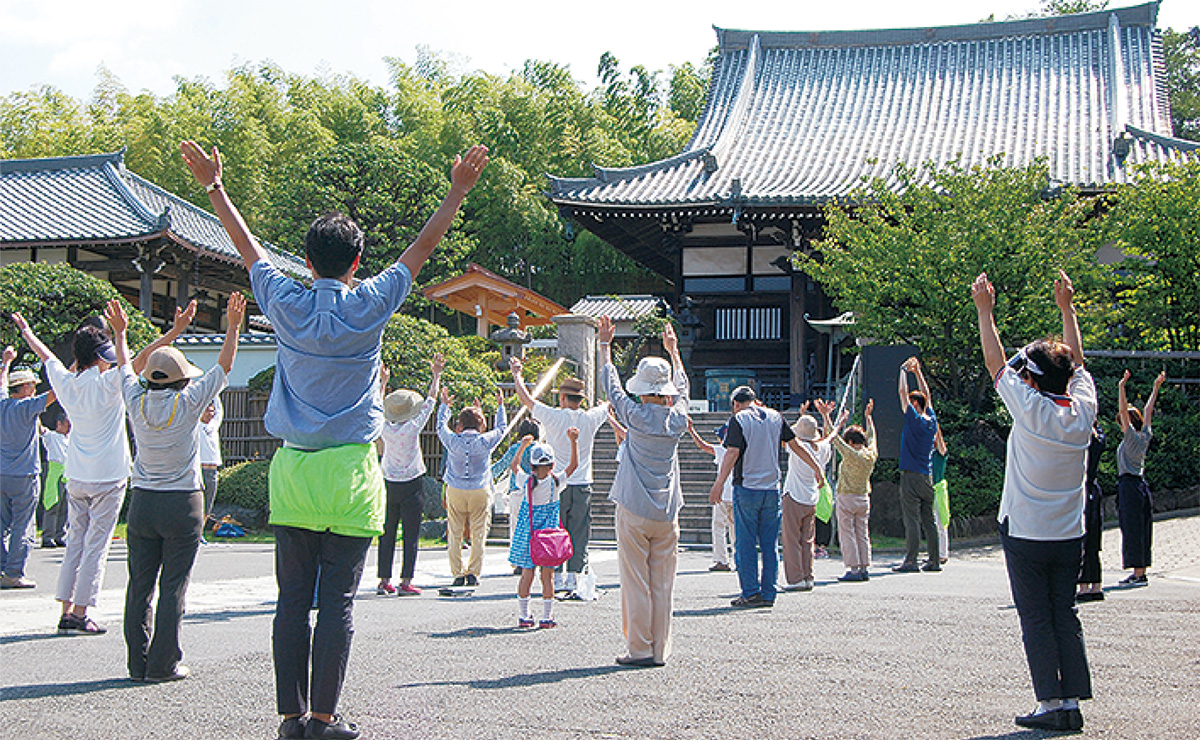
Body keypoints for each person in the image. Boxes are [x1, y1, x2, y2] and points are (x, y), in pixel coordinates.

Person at [181, 137, 488, 740]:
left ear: (307, 259)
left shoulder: (285, 300)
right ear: (355, 264)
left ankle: (291, 719)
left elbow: (246, 248)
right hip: (351, 473)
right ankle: (325, 718)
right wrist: (456, 190)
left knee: (291, 601)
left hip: (293, 471)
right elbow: (421, 249)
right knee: (339, 605)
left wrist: (216, 186)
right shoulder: (370, 302)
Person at [973, 269, 1095, 732]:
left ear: (1034, 380)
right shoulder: (1082, 410)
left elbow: (994, 361)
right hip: (1069, 531)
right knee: (1064, 611)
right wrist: (1068, 309)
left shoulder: (1031, 409)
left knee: (1036, 618)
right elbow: (1077, 365)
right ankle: (1072, 702)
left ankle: (1050, 703)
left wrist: (986, 312)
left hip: (1026, 528)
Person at [110, 294, 242, 682]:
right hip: (183, 503)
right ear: (184, 377)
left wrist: (121, 334)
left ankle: (137, 662)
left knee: (139, 586)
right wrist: (232, 325)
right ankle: (164, 663)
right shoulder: (188, 402)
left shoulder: (134, 400)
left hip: (143, 504)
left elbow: (122, 365)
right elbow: (224, 365)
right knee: (173, 587)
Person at [599, 315, 688, 667]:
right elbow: (683, 386)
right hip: (668, 510)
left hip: (635, 507)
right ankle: (659, 649)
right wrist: (674, 351)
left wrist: (606, 345)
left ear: (642, 388)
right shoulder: (678, 418)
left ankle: (639, 648)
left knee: (635, 581)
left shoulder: (634, 415)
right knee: (664, 583)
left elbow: (612, 387)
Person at [709, 386, 824, 609]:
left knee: (746, 543)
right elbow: (795, 444)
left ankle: (751, 592)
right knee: (770, 544)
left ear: (735, 404)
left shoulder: (738, 420)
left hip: (747, 487)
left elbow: (732, 452)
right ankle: (769, 592)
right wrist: (815, 466)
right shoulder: (775, 416)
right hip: (772, 489)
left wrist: (719, 483)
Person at [509, 357, 609, 596]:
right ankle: (575, 576)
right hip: (583, 481)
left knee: (555, 529)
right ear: (581, 400)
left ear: (563, 398)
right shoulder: (590, 417)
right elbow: (608, 407)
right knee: (579, 531)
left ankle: (555, 575)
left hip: (555, 484)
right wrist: (604, 404)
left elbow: (527, 400)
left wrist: (517, 375)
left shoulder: (554, 416)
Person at [375, 354, 443, 597]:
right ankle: (406, 580)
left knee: (387, 532)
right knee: (411, 534)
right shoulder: (413, 427)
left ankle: (384, 580)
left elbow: (375, 406)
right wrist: (435, 374)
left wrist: (383, 382)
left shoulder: (383, 426)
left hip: (388, 481)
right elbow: (431, 401)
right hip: (412, 482)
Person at [437, 390, 507, 589]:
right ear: (480, 424)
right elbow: (501, 428)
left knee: (454, 532)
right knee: (479, 533)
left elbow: (440, 426)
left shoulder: (453, 441)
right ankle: (474, 572)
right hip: (479, 489)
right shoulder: (485, 441)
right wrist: (500, 406)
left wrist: (445, 407)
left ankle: (457, 573)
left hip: (456, 488)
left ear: (460, 424)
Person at [508, 432, 578, 629]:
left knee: (526, 575)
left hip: (528, 536)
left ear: (531, 466)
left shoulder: (526, 482)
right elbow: (573, 467)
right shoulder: (555, 482)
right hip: (548, 539)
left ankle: (524, 615)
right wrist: (573, 442)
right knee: (547, 577)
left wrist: (522, 446)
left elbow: (514, 467)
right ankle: (547, 617)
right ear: (552, 465)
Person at [0, 349, 54, 590]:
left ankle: (2, 567)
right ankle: (14, 572)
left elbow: (2, 383)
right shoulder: (27, 407)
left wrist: (5, 363)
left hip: (2, 473)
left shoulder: (2, 404)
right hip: (24, 475)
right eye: (31, 385)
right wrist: (75, 370)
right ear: (23, 388)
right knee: (23, 524)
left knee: (1, 523)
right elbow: (55, 394)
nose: (34, 388)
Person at [1115, 369, 1164, 588]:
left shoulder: (1132, 438)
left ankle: (1137, 574)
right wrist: (1156, 387)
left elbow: (1123, 412)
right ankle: (1140, 571)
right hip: (1141, 486)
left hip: (1129, 485)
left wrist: (1121, 387)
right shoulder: (1145, 435)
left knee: (1132, 528)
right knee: (1143, 527)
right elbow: (1148, 409)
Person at [780, 401, 836, 592]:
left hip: (794, 495)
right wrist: (827, 417)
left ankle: (795, 579)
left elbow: (790, 439)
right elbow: (829, 437)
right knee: (807, 540)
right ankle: (808, 576)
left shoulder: (797, 449)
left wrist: (800, 417)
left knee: (791, 540)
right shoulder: (822, 449)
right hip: (812, 498)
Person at [894, 356, 940, 573]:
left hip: (911, 475)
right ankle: (934, 560)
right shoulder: (931, 420)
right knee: (928, 520)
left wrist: (904, 370)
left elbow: (903, 394)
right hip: (927, 475)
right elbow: (928, 396)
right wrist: (918, 372)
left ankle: (911, 560)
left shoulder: (915, 420)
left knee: (911, 519)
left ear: (914, 405)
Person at [831, 399, 878, 582]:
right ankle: (865, 566)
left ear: (850, 441)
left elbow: (834, 439)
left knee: (847, 533)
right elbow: (873, 437)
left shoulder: (851, 453)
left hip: (846, 497)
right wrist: (868, 418)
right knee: (862, 533)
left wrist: (832, 419)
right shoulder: (870, 455)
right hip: (863, 497)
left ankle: (853, 568)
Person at [491, 416, 542, 574]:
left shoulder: (515, 448)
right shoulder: (539, 449)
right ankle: (535, 558)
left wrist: (487, 474)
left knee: (516, 527)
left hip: (517, 491)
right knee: (535, 526)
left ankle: (519, 562)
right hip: (536, 491)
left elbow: (502, 465)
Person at [685, 418, 734, 572]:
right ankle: (740, 559)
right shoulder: (739, 450)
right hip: (737, 493)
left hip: (722, 494)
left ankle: (721, 560)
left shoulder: (721, 449)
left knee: (719, 527)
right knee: (736, 529)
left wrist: (691, 430)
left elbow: (702, 445)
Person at [1076, 424, 1107, 602]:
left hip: (1081, 488)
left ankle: (1084, 585)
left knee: (1084, 538)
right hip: (1094, 489)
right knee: (1094, 539)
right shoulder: (1098, 436)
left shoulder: (1080, 434)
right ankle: (1096, 584)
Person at [39, 412, 70, 548]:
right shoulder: (52, 436)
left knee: (64, 507)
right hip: (55, 472)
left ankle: (60, 534)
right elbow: (41, 430)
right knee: (52, 505)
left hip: (67, 474)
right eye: (67, 424)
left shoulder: (70, 439)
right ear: (59, 424)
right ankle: (48, 536)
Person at [198, 395, 224, 535]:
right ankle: (194, 533)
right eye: (208, 411)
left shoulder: (213, 427)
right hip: (199, 470)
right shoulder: (196, 426)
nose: (211, 414)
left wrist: (214, 393)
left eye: (212, 411)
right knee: (197, 504)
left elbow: (219, 411)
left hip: (212, 470)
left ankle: (200, 533)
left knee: (208, 505)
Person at [932, 426, 950, 565]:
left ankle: (943, 553)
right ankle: (934, 552)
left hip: (938, 490)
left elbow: (941, 444)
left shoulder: (941, 454)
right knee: (931, 523)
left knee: (941, 523)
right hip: (928, 489)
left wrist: (936, 429)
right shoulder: (928, 454)